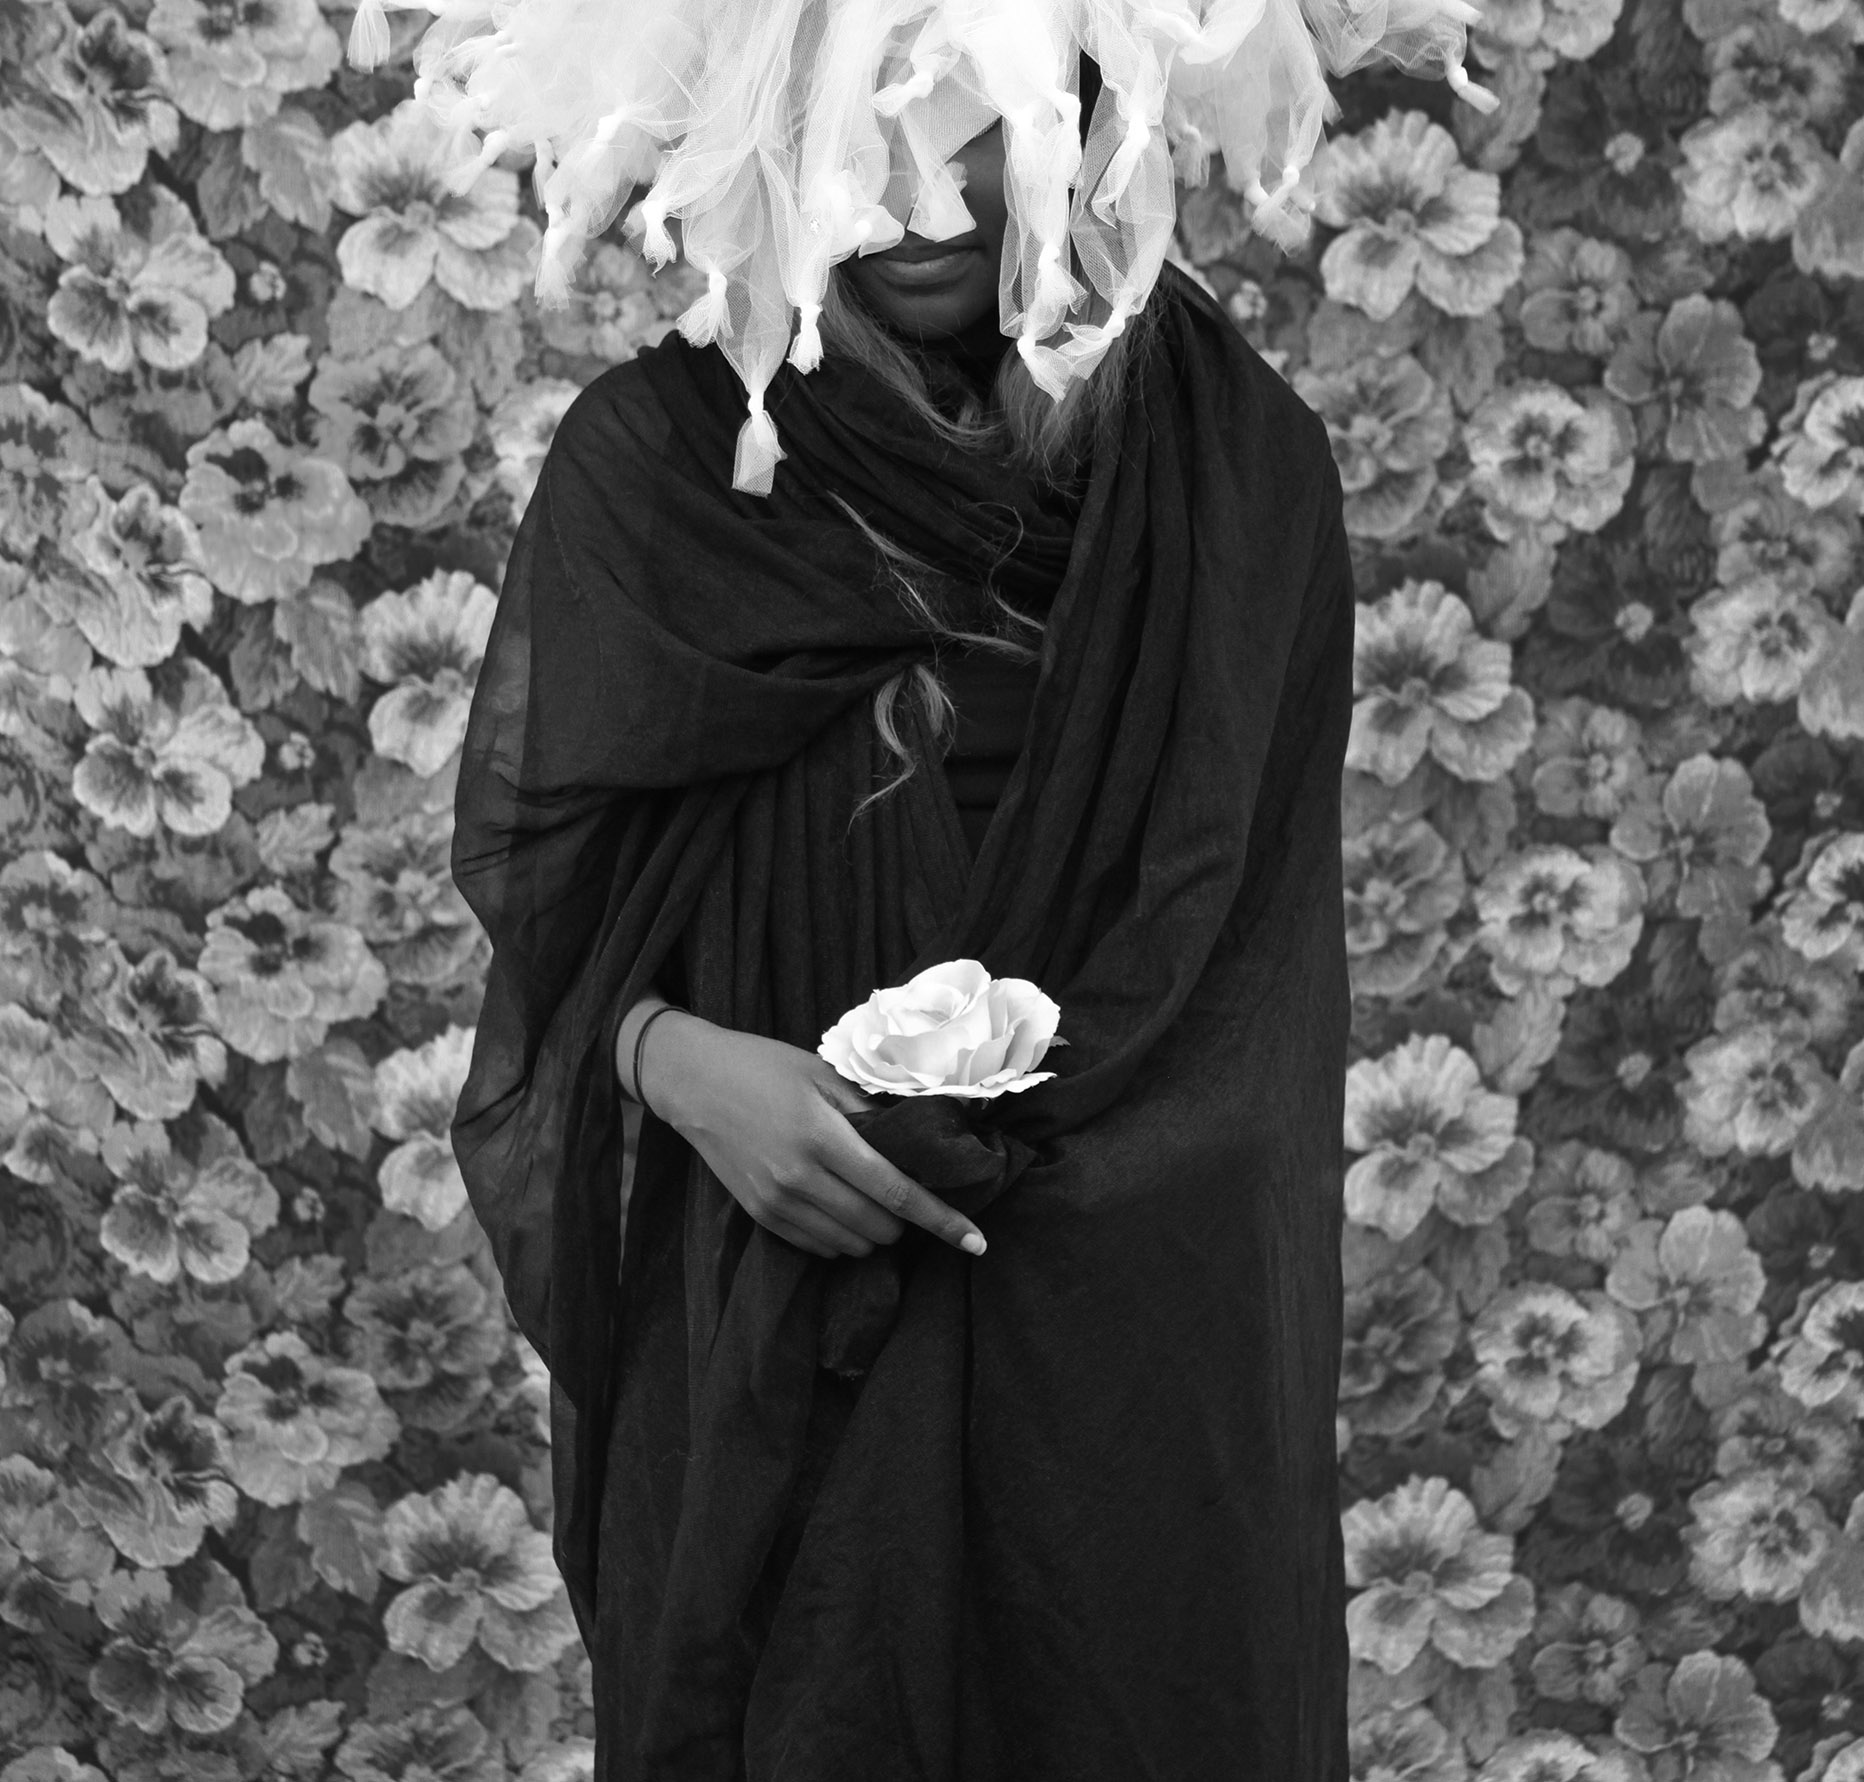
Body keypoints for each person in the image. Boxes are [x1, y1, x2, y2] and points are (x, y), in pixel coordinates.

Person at [350, 1, 1494, 1774]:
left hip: (1132, 1379)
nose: (928, 197)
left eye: (979, 117)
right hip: (771, 1339)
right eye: (862, 119)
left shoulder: (1236, 477)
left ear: (1094, 108)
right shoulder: (658, 471)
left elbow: (1250, 993)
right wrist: (683, 1067)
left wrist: (975, 1169)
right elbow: (562, 915)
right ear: (751, 117)